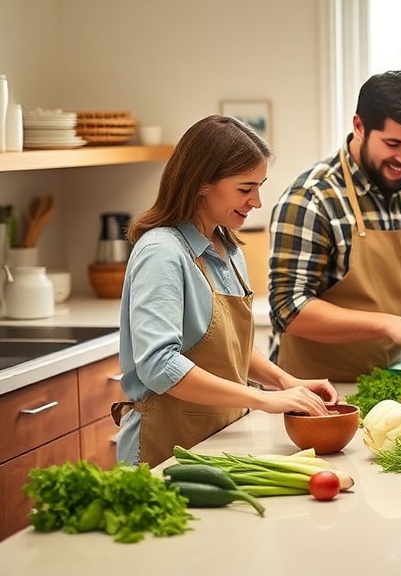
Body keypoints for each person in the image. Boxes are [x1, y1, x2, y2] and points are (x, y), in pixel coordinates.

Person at [114, 115, 338, 467]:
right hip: (164, 450)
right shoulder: (162, 252)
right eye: (245, 188)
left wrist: (285, 381)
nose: (257, 201)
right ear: (202, 183)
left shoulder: (226, 247)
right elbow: (159, 366)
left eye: (260, 186)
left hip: (216, 442)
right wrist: (261, 399)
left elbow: (231, 347)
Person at [268, 70, 401, 382]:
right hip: (310, 390)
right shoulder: (312, 199)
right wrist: (389, 324)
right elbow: (289, 309)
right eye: (393, 143)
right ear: (359, 126)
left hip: (386, 383)